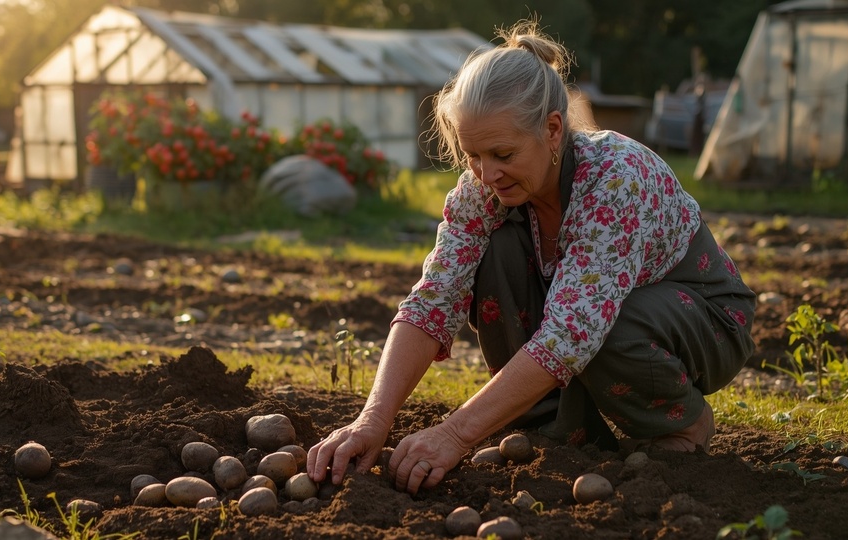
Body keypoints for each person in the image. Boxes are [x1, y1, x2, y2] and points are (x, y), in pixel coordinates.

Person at [306, 21, 756, 496]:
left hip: (703, 320)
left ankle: (683, 423)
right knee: (495, 252)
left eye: (503, 153)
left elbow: (570, 333)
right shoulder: (483, 188)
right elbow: (433, 300)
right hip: (596, 316)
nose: (487, 173)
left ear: (553, 130)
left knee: (608, 325)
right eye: (473, 155)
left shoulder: (615, 179)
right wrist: (372, 420)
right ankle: (555, 432)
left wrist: (455, 434)